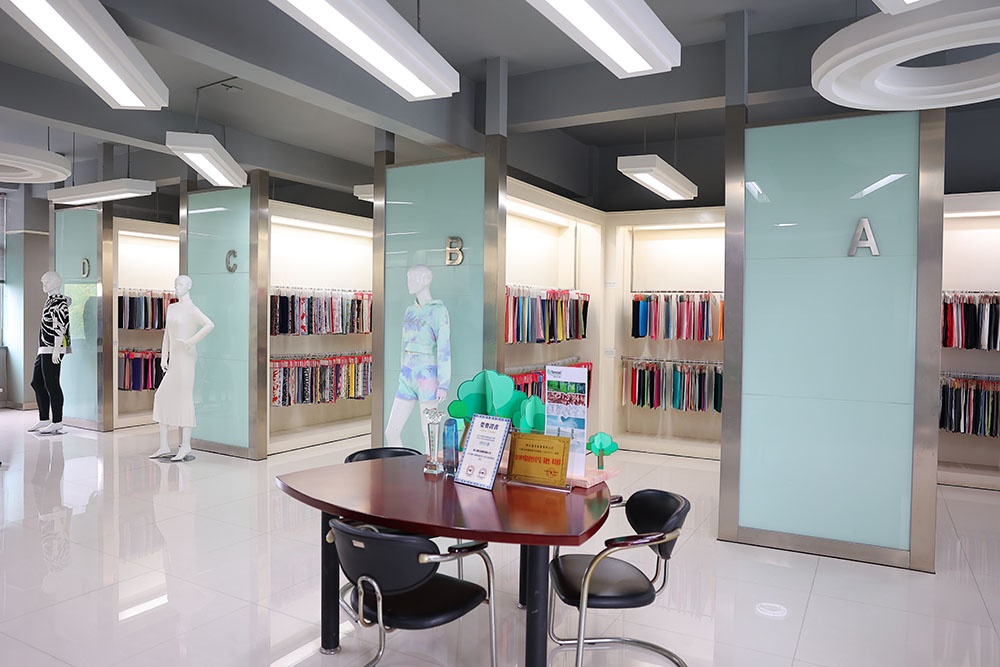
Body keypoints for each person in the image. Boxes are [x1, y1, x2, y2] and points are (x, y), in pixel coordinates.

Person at [384, 265, 451, 453]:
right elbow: (403, 344)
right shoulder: (409, 311)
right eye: (408, 278)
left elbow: (444, 348)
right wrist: (402, 371)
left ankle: (430, 467)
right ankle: (397, 466)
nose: (409, 282)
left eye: (413, 278)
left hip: (427, 377)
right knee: (391, 431)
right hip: (407, 376)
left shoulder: (439, 311)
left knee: (428, 433)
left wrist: (444, 383)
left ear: (426, 280)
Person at [150, 275, 214, 461]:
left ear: (189, 286)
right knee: (161, 396)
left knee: (185, 398)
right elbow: (167, 334)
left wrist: (190, 342)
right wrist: (164, 355)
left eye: (180, 284)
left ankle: (186, 445)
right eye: (175, 284)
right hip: (174, 358)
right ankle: (164, 445)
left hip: (186, 358)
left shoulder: (193, 310)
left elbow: (209, 325)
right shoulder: (172, 308)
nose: (176, 287)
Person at [28, 271, 71, 435]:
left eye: (47, 282)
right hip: (44, 348)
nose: (44, 285)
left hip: (53, 348)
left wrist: (57, 350)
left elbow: (60, 326)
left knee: (52, 383)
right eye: (43, 282)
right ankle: (44, 418)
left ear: (57, 283)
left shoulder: (59, 302)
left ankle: (57, 422)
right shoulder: (51, 300)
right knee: (37, 382)